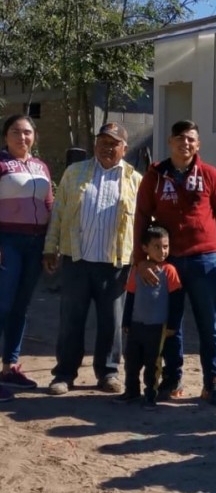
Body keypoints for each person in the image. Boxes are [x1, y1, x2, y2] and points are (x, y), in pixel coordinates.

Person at [133, 120, 216, 406]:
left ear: (198, 144)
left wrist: (214, 247)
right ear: (170, 142)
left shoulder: (210, 175)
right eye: (179, 139)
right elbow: (141, 216)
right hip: (169, 262)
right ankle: (172, 380)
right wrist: (141, 259)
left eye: (190, 139)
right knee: (171, 323)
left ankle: (213, 381)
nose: (184, 143)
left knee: (208, 324)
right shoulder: (155, 176)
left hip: (203, 261)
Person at [44, 123, 142, 395]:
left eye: (113, 143)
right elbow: (59, 213)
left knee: (111, 322)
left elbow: (145, 222)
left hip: (115, 264)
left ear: (124, 148)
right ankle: (64, 374)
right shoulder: (75, 173)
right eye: (102, 142)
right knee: (71, 320)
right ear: (95, 144)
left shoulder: (135, 180)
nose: (107, 147)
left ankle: (109, 372)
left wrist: (143, 257)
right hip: (78, 259)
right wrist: (50, 248)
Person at [0, 115, 53, 402]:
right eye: (15, 132)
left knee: (21, 307)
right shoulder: (1, 164)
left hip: (36, 243)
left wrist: (51, 245)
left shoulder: (40, 166)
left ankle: (10, 367)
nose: (22, 137)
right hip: (7, 241)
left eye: (27, 132)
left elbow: (49, 204)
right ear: (6, 136)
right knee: (2, 306)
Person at [116, 224, 183, 410]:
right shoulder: (138, 270)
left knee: (153, 363)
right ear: (145, 248)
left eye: (165, 247)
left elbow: (177, 300)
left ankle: (150, 395)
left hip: (157, 327)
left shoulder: (169, 271)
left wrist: (173, 325)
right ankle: (131, 391)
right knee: (131, 359)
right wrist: (126, 321)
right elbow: (129, 296)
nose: (162, 251)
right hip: (137, 325)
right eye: (157, 247)